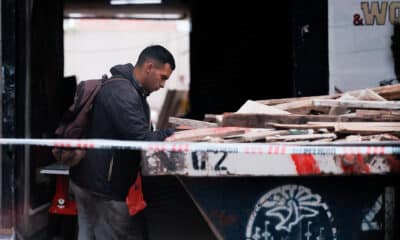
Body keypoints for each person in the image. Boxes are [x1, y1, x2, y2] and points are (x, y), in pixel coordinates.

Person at [69, 45, 176, 240]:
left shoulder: (129, 89)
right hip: (103, 187)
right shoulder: (122, 93)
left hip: (88, 178)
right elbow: (142, 139)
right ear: (149, 67)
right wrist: (175, 133)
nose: (162, 85)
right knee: (109, 234)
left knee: (86, 233)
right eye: (163, 78)